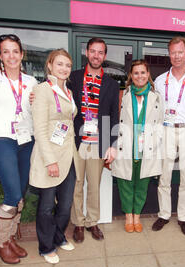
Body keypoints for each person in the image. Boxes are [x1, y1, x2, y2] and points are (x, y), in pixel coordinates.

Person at [0, 34, 37, 264]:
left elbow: (36, 112)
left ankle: (11, 238)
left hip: (26, 140)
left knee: (21, 192)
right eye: (6, 51)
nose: (11, 56)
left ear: (22, 54)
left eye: (15, 51)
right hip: (2, 139)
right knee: (12, 194)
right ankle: (0, 243)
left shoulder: (31, 81)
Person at [152, 36, 185, 236]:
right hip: (166, 129)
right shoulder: (159, 80)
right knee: (164, 174)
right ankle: (164, 214)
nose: (177, 56)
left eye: (180, 52)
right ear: (169, 54)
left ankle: (183, 217)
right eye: (173, 52)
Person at [68, 37, 119, 243]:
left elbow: (114, 116)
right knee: (77, 184)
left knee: (94, 185)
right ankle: (78, 223)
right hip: (77, 141)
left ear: (104, 56)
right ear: (87, 53)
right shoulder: (73, 77)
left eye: (100, 52)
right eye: (93, 51)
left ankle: (92, 222)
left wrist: (112, 145)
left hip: (99, 143)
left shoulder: (112, 84)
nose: (96, 55)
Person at [29, 49, 78, 264]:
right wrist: (50, 161)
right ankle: (46, 246)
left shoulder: (69, 92)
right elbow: (39, 130)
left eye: (67, 65)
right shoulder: (42, 90)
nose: (64, 69)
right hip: (49, 156)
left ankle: (58, 236)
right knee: (47, 206)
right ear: (50, 65)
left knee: (66, 205)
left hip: (69, 155)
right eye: (59, 64)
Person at [111, 59, 164, 233]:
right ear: (131, 76)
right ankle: (128, 216)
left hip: (147, 147)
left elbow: (161, 123)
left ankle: (137, 216)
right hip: (125, 145)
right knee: (125, 183)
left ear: (148, 74)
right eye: (136, 73)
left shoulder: (157, 97)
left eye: (143, 72)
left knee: (142, 183)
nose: (139, 76)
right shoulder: (124, 95)